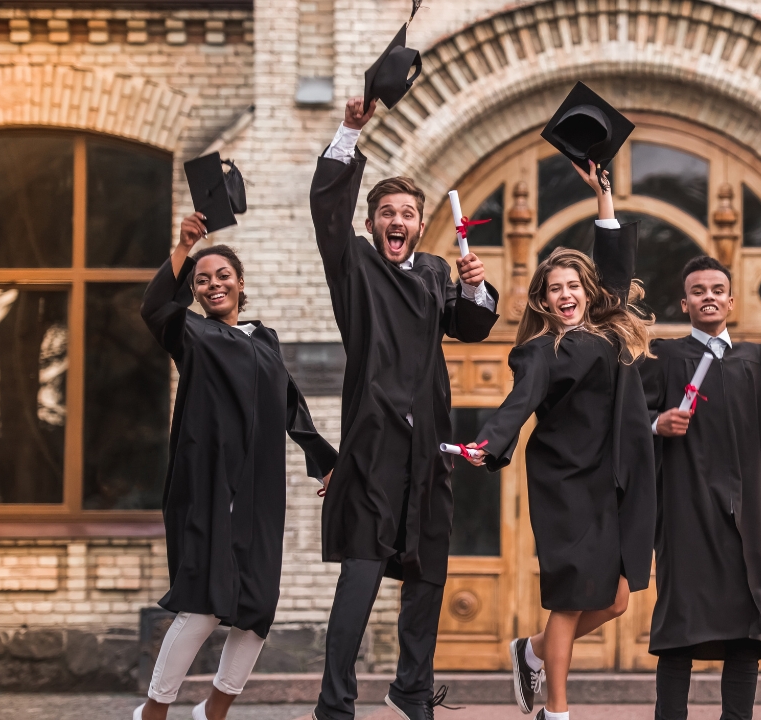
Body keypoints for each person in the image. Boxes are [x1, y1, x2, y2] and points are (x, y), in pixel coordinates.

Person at [304, 96, 500, 720]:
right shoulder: (355, 266)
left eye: (407, 214)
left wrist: (473, 283)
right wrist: (349, 131)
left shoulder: (436, 271)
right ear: (371, 225)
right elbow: (327, 211)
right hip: (372, 448)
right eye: (386, 212)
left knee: (427, 578)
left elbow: (472, 328)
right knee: (360, 577)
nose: (397, 220)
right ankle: (335, 705)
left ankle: (412, 691)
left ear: (420, 226)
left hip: (430, 450)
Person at [462, 159, 655, 720]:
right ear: (544, 300)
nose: (566, 294)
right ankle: (558, 710)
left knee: (617, 599)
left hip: (617, 477)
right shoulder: (541, 350)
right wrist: (487, 442)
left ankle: (534, 651)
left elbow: (616, 264)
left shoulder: (609, 328)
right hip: (567, 483)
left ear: (585, 291)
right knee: (571, 599)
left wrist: (605, 199)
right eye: (555, 289)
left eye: (573, 285)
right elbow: (518, 404)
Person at [136, 213, 338, 720]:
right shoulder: (192, 336)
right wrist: (185, 247)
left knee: (256, 606)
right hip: (209, 484)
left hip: (260, 490)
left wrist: (326, 465)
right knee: (205, 602)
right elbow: (156, 306)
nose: (213, 284)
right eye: (203, 280)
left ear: (240, 283)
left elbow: (293, 405)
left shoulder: (263, 339)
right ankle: (153, 713)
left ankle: (214, 711)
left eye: (222, 275)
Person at [640, 255, 761, 720]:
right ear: (684, 303)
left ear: (731, 300)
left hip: (748, 516)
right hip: (686, 513)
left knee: (746, 632)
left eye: (716, 289)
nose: (707, 296)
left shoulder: (755, 358)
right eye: (697, 291)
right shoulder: (665, 358)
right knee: (678, 630)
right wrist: (656, 423)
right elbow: (622, 417)